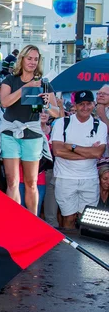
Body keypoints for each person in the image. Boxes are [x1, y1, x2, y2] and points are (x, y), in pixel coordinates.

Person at [0, 45, 60, 215]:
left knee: (31, 182)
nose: (32, 62)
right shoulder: (10, 80)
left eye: (35, 59)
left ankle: (33, 222)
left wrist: (47, 104)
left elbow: (57, 112)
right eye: (29, 58)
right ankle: (14, 220)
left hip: (32, 135)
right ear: (22, 59)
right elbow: (5, 102)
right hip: (10, 133)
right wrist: (26, 87)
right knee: (12, 181)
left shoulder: (44, 84)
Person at [51, 90, 106, 231]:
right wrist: (88, 153)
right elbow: (57, 151)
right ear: (75, 105)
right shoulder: (62, 123)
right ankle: (68, 251)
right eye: (81, 104)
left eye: (88, 104)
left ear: (93, 104)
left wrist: (72, 147)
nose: (85, 107)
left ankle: (86, 251)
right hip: (65, 178)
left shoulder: (100, 125)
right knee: (68, 218)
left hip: (89, 178)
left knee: (87, 220)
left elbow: (98, 152)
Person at [18, 110, 51, 218]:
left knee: (34, 214)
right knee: (19, 211)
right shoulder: (22, 129)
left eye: (46, 112)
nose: (43, 114)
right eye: (40, 112)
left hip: (39, 178)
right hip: (20, 177)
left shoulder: (54, 131)